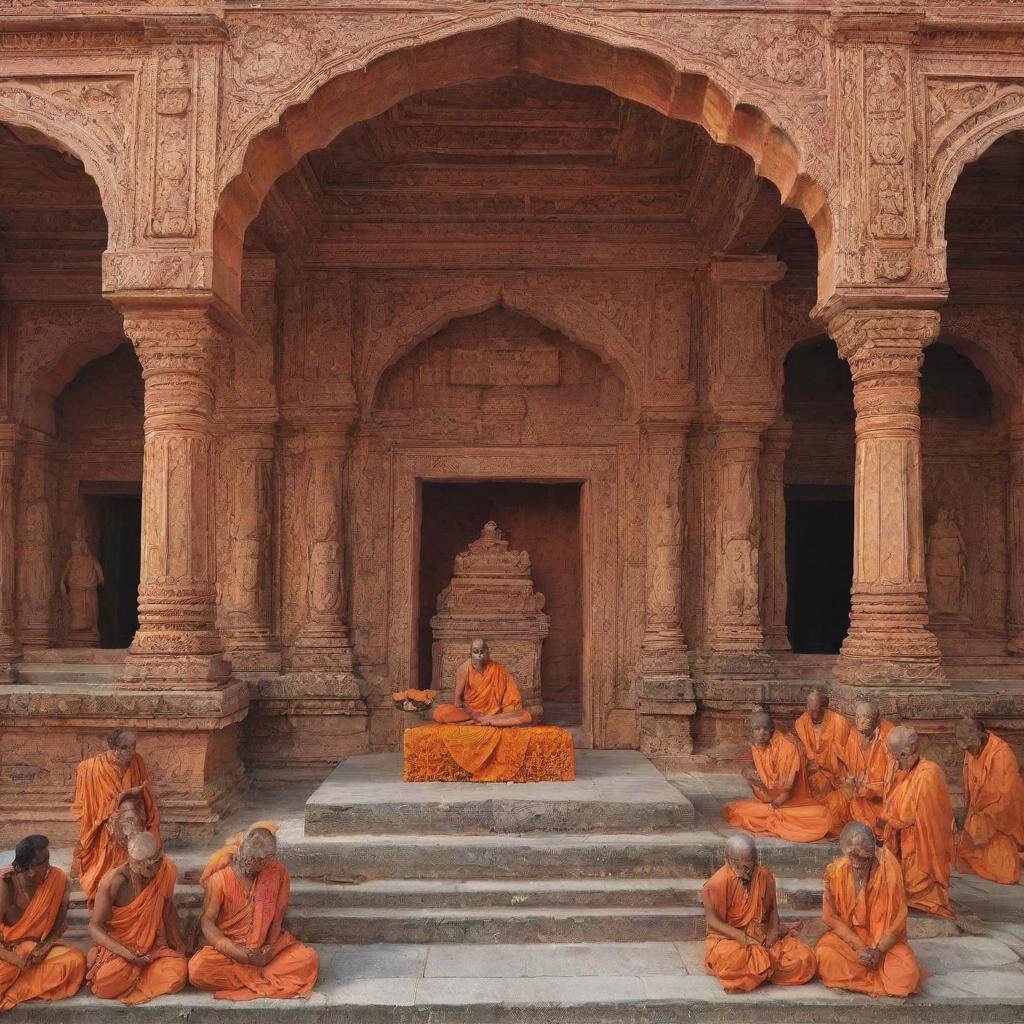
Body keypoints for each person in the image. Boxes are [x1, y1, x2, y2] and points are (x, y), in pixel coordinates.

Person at [189, 823, 318, 1001]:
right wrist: (240, 954)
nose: (248, 865)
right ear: (241, 851)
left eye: (257, 861)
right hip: (230, 951)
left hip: (264, 951)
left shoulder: (278, 873)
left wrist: (268, 949)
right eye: (246, 859)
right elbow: (208, 922)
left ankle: (255, 973)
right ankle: (260, 976)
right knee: (197, 970)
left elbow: (277, 920)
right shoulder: (219, 880)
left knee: (307, 958)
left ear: (268, 860)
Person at [817, 821, 922, 997]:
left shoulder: (889, 869)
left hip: (884, 944)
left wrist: (878, 951)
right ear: (845, 851)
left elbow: (899, 920)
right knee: (824, 955)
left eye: (863, 859)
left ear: (873, 852)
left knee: (907, 976)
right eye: (853, 858)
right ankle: (870, 976)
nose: (857, 864)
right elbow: (829, 916)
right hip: (855, 941)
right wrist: (859, 946)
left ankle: (864, 975)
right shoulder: (836, 872)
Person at [701, 834, 816, 992]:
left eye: (752, 865)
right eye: (744, 867)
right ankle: (762, 969)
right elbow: (713, 922)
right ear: (729, 860)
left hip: (762, 936)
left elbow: (773, 911)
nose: (749, 872)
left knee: (804, 958)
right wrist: (743, 938)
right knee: (733, 960)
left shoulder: (764, 876)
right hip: (732, 939)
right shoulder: (716, 884)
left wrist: (773, 932)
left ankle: (760, 971)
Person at [86, 833, 187, 1005]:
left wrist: (176, 943)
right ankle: (139, 974)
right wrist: (129, 956)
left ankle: (138, 975)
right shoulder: (113, 882)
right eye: (150, 867)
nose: (156, 870)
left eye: (158, 862)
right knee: (104, 982)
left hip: (152, 949)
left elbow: (167, 909)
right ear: (135, 863)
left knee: (178, 972)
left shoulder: (166, 870)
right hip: (122, 949)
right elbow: (94, 927)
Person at [72, 728, 160, 903]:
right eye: (126, 747)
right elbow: (93, 807)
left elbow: (145, 796)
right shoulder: (92, 769)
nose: (132, 751)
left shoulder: (137, 761)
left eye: (134, 746)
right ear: (115, 748)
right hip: (105, 820)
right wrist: (122, 798)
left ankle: (138, 866)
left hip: (132, 813)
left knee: (131, 817)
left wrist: (132, 799)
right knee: (121, 824)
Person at [0, 836, 85, 1012]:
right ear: (30, 870)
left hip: (35, 951)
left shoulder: (57, 878)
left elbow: (58, 924)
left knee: (76, 961)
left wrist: (44, 947)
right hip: (6, 953)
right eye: (43, 861)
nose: (49, 865)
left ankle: (19, 985)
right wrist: (18, 962)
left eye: (48, 858)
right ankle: (21, 981)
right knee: (6, 973)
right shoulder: (5, 887)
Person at [722, 712, 836, 842]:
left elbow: (786, 790)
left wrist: (772, 806)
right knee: (737, 811)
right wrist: (752, 778)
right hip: (774, 799)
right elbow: (766, 781)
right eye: (757, 729)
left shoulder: (786, 748)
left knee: (820, 818)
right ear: (752, 731)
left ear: (771, 730)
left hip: (791, 801)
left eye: (765, 729)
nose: (761, 733)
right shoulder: (758, 746)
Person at [880, 726, 955, 919]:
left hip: (924, 847)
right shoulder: (906, 773)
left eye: (896, 757)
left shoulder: (929, 774)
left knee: (915, 884)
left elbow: (908, 818)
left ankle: (925, 897)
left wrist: (889, 818)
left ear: (906, 752)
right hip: (905, 841)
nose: (895, 762)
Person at [954, 717, 1024, 885]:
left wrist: (982, 822)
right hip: (978, 818)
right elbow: (971, 789)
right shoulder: (972, 750)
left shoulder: (1001, 754)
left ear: (977, 737)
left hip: (999, 825)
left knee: (1006, 874)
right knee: (960, 857)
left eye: (968, 747)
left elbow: (1007, 801)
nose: (967, 751)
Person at [432, 638, 532, 726]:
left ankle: (488, 720)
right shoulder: (464, 669)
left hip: (495, 714)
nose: (479, 655)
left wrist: (503, 711)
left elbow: (511, 698)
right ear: (470, 654)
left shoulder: (498, 669)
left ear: (488, 653)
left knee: (525, 716)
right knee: (440, 712)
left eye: (482, 651)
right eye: (476, 652)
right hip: (471, 713)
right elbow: (458, 701)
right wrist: (473, 714)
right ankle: (484, 720)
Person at [792, 687, 850, 826]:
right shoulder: (801, 722)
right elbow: (804, 749)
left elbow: (842, 753)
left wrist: (825, 765)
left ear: (824, 708)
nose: (812, 714)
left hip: (833, 771)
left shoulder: (839, 722)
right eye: (809, 710)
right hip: (810, 769)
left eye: (816, 710)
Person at [839, 701, 894, 840]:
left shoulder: (889, 735)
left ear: (876, 720)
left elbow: (893, 780)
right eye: (857, 717)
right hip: (861, 796)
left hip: (883, 799)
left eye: (865, 717)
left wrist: (868, 789)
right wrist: (851, 781)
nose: (860, 722)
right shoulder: (854, 734)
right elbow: (849, 768)